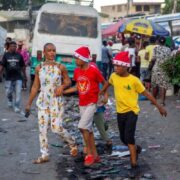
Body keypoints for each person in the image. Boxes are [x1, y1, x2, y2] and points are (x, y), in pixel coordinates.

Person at [100, 51, 167, 178]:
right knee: (123, 139)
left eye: (118, 66)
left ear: (126, 66)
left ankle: (134, 164)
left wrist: (159, 106)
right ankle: (136, 149)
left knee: (129, 137)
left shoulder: (134, 80)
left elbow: (147, 93)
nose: (115, 68)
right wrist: (102, 92)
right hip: (120, 112)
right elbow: (108, 83)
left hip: (132, 112)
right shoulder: (114, 76)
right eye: (115, 66)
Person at [25, 43, 78, 164]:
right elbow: (35, 87)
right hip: (43, 101)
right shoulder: (39, 67)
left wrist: (63, 86)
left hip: (56, 102)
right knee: (42, 129)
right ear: (44, 52)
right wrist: (29, 103)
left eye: (54, 50)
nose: (52, 53)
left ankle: (72, 142)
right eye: (49, 50)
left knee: (56, 128)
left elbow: (68, 81)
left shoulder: (61, 67)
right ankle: (44, 154)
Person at [63, 46, 108, 166]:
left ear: (84, 59)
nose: (75, 60)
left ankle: (89, 154)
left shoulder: (94, 70)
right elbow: (78, 86)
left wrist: (105, 95)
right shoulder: (77, 71)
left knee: (82, 127)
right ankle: (96, 155)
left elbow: (105, 82)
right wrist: (63, 92)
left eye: (77, 58)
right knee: (89, 130)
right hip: (82, 103)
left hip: (92, 103)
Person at [0, 41, 26, 113]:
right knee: (8, 92)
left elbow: (23, 66)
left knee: (18, 93)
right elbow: (2, 65)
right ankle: (10, 99)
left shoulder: (19, 55)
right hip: (8, 77)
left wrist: (24, 75)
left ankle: (17, 106)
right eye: (12, 46)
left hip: (18, 77)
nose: (13, 47)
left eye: (15, 46)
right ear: (9, 47)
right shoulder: (6, 55)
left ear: (16, 47)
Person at [151, 37, 172, 106]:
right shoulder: (168, 49)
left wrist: (150, 65)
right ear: (165, 42)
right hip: (164, 69)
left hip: (156, 68)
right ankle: (162, 102)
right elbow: (170, 60)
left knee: (154, 84)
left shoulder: (155, 48)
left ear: (158, 42)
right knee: (163, 85)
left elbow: (153, 59)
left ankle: (153, 101)